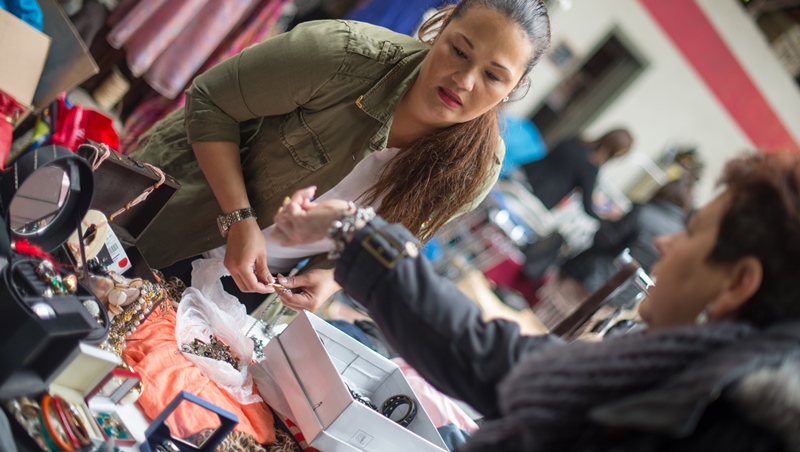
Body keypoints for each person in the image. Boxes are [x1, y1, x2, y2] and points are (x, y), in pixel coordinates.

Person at [272, 150, 800, 451]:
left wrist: (357, 232)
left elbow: (493, 364)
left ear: (735, 285)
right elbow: (498, 359)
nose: (665, 242)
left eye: (694, 233)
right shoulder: (676, 370)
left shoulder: (704, 414)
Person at [131, 0, 552, 312]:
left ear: (516, 88)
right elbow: (210, 100)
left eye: (494, 76)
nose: (464, 80)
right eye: (459, 51)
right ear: (440, 28)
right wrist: (238, 219)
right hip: (168, 220)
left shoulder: (474, 170)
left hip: (245, 293)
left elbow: (396, 239)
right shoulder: (343, 55)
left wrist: (332, 276)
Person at [560, 175, 695, 297]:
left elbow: (602, 240)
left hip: (588, 279)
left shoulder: (642, 211)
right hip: (620, 296)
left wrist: (611, 222)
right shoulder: (680, 236)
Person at [521, 128, 633, 219]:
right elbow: (588, 208)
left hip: (522, 175)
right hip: (535, 199)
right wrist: (608, 217)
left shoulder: (575, 141)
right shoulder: (590, 168)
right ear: (617, 152)